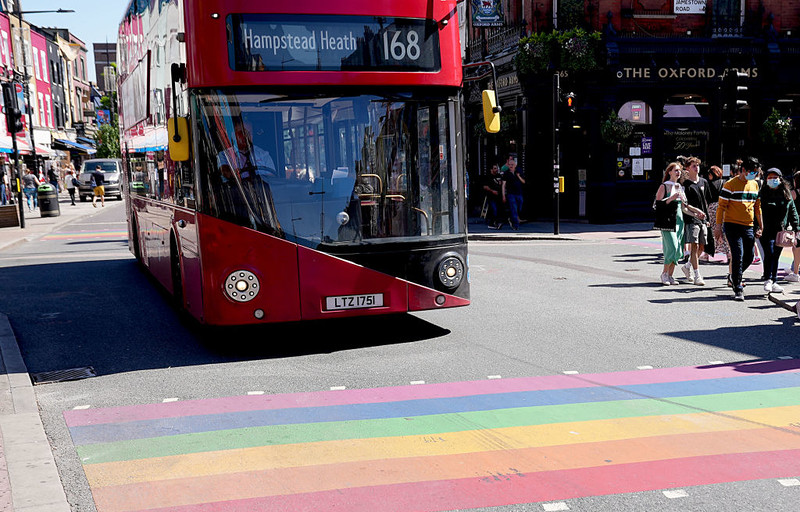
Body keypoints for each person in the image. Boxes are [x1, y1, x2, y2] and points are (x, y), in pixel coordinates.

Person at [715, 156, 763, 301]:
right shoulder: (730, 184)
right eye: (751, 172)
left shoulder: (755, 185)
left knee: (749, 256)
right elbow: (721, 207)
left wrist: (761, 225)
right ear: (743, 170)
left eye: (755, 172)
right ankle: (738, 287)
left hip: (748, 225)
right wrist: (718, 226)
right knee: (737, 254)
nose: (753, 175)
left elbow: (757, 206)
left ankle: (734, 276)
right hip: (732, 225)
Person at [655, 162, 706, 285]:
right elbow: (658, 204)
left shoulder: (679, 186)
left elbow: (684, 207)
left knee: (678, 251)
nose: (678, 172)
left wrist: (696, 214)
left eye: (679, 170)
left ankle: (670, 276)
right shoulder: (664, 186)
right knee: (671, 247)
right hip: (668, 222)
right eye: (675, 170)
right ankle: (664, 274)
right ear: (669, 172)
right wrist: (672, 198)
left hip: (679, 222)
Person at [758, 168, 799, 293]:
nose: (772, 180)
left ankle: (774, 280)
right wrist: (756, 227)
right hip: (765, 229)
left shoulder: (786, 194)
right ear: (766, 179)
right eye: (769, 177)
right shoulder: (762, 194)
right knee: (769, 252)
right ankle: (768, 279)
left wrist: (797, 228)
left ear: (780, 179)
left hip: (780, 231)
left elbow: (793, 211)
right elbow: (755, 211)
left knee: (776, 255)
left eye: (775, 177)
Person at [679, 157, 711, 285]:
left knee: (702, 247)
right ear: (687, 168)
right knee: (695, 245)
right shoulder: (685, 185)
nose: (696, 167)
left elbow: (706, 202)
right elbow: (685, 204)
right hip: (692, 218)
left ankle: (687, 266)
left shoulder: (704, 182)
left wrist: (707, 218)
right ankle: (697, 275)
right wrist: (694, 213)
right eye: (693, 166)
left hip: (702, 218)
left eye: (697, 165)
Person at [501, 153, 525, 230]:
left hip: (519, 193)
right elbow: (503, 185)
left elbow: (523, 182)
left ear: (515, 165)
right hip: (511, 194)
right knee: (513, 208)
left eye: (512, 164)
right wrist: (503, 195)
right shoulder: (506, 173)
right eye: (510, 164)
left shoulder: (519, 171)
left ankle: (513, 218)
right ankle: (516, 225)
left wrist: (518, 176)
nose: (511, 166)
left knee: (519, 206)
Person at [787, 170, 800, 283]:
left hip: (798, 221)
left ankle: (795, 272)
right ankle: (794, 269)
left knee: (796, 247)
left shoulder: (794, 193)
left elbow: (789, 206)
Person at [481, 163, 503, 229]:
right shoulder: (488, 177)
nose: (496, 170)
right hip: (491, 196)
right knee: (494, 210)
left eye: (497, 168)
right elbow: (485, 186)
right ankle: (493, 223)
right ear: (491, 170)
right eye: (495, 168)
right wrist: (492, 191)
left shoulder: (499, 176)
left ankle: (495, 223)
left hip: (498, 196)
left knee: (498, 210)